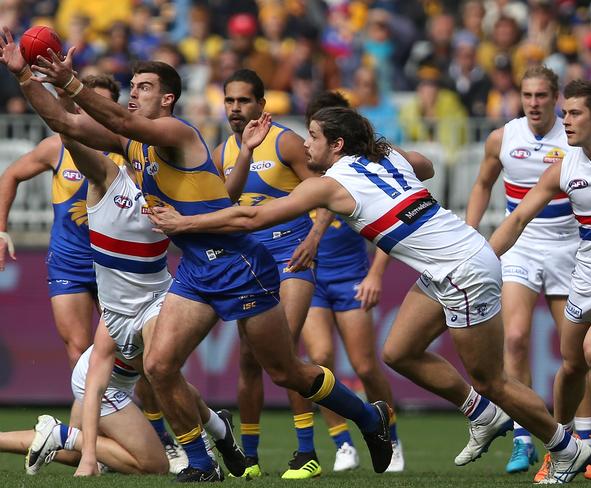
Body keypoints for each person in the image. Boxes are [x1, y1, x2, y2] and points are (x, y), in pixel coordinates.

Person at [0, 27, 393, 482]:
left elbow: (121, 122)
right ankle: (202, 464)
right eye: (132, 87)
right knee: (159, 365)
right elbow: (67, 124)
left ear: (167, 99)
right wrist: (26, 77)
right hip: (195, 269)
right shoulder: (136, 145)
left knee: (286, 372)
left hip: (239, 264)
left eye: (144, 88)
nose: (134, 95)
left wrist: (70, 82)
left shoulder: (177, 132)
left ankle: (368, 419)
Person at [149, 106, 591, 484]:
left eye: (315, 138)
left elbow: (250, 219)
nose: (306, 146)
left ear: (337, 146)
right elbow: (428, 166)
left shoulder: (329, 185)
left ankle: (565, 447)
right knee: (398, 352)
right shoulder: (385, 157)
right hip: (455, 260)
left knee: (492, 379)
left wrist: (183, 225)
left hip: (461, 271)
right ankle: (483, 416)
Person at [489, 79, 591, 483]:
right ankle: (560, 448)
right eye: (565, 113)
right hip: (586, 275)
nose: (566, 120)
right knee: (572, 365)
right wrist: (480, 260)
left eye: (573, 113)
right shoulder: (564, 167)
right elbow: (519, 218)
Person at [466, 65, 591, 475]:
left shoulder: (573, 137)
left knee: (575, 354)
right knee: (516, 338)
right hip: (519, 246)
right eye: (527, 96)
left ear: (556, 98)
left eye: (542, 96)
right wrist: (471, 235)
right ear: (519, 98)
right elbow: (483, 183)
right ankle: (523, 437)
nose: (534, 103)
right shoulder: (503, 137)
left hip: (568, 247)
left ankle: (587, 441)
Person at [213, 69, 332, 479]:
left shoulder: (285, 141)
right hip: (249, 262)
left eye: (244, 100)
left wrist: (315, 237)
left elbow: (328, 190)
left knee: (283, 350)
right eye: (230, 101)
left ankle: (306, 452)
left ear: (262, 105)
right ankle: (249, 457)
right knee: (248, 359)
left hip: (292, 255)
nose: (235, 108)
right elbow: (220, 204)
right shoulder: (222, 151)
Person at [299, 90, 404, 473]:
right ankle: (342, 442)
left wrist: (376, 274)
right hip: (312, 280)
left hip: (351, 277)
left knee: (364, 365)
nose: (309, 142)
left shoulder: (357, 172)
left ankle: (390, 436)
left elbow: (393, 222)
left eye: (315, 134)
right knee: (320, 360)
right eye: (308, 131)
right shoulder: (302, 165)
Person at [0, 74, 122, 368]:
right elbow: (11, 175)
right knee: (78, 351)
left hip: (115, 262)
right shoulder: (56, 148)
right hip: (69, 260)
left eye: (101, 105)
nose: (92, 111)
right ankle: (92, 415)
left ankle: (151, 416)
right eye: (87, 104)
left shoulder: (127, 150)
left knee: (130, 353)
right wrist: (1, 232)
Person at [0, 345, 168, 475]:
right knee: (154, 466)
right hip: (103, 379)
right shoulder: (160, 304)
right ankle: (60, 434)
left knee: (74, 453)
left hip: (95, 369)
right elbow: (155, 368)